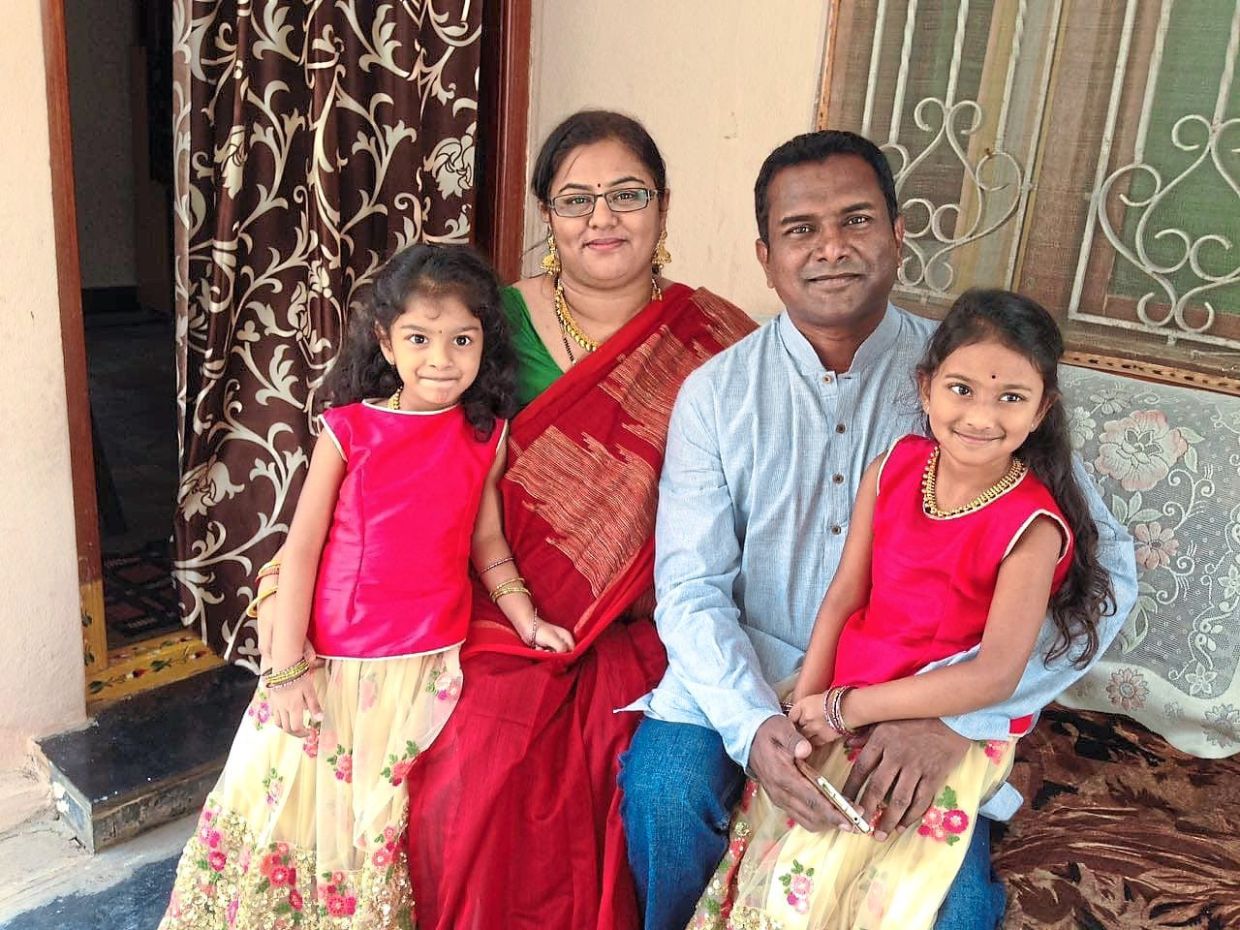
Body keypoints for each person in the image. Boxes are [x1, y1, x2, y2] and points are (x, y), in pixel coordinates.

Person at [618, 130, 1138, 930]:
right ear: (766, 257)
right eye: (801, 229)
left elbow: (1106, 579)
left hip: (910, 693)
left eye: (856, 220)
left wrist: (951, 718)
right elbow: (689, 587)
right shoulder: (717, 395)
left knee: (955, 914)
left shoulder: (972, 377)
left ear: (897, 236)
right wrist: (752, 723)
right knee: (662, 796)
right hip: (750, 669)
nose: (831, 247)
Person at [255, 110, 756, 928]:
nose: (602, 216)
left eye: (627, 194)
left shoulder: (718, 339)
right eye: (576, 199)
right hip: (476, 609)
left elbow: (755, 503)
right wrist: (286, 611)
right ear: (548, 216)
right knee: (469, 759)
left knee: (616, 768)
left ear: (663, 206)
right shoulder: (485, 326)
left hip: (647, 617)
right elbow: (381, 482)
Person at [159, 244, 578, 929]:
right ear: (385, 341)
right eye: (419, 338)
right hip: (332, 669)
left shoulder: (487, 437)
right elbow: (300, 551)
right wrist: (286, 669)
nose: (441, 359)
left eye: (462, 340)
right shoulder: (349, 430)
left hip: (422, 668)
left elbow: (487, 543)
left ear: (485, 343)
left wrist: (527, 618)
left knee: (373, 831)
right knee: (295, 817)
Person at [689, 288, 1115, 928]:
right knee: (774, 875)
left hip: (940, 719)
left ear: (1041, 411)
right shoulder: (893, 469)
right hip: (845, 697)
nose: (981, 416)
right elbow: (845, 595)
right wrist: (809, 704)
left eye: (1011, 397)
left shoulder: (1032, 528)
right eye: (961, 389)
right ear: (926, 388)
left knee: (862, 899)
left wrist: (848, 709)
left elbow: (995, 675)